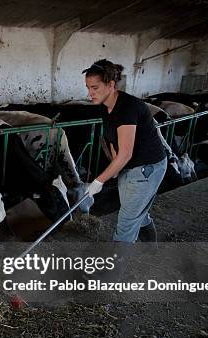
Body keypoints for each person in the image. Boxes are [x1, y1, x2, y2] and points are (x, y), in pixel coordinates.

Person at [83, 59, 167, 243]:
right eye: (88, 87)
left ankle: (114, 269)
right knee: (137, 211)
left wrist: (99, 181)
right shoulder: (106, 108)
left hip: (147, 167)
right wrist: (115, 166)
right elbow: (113, 140)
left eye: (94, 88)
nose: (89, 94)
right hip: (130, 165)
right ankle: (150, 247)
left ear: (111, 85)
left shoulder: (127, 108)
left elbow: (126, 153)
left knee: (127, 220)